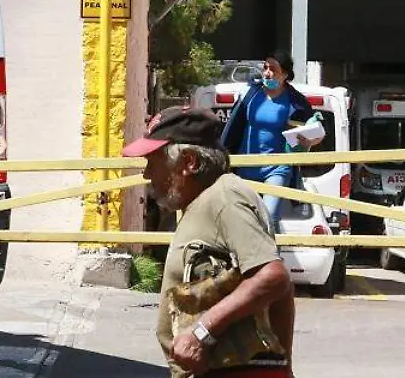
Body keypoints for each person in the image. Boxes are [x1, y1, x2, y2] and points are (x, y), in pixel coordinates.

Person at [124, 107, 296, 378]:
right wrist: (285, 368)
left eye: (153, 162)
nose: (147, 174)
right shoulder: (206, 200)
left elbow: (272, 277)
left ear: (189, 162)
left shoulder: (224, 199)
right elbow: (279, 291)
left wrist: (202, 331)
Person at [219, 51, 321, 230]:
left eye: (273, 69)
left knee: (268, 218)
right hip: (245, 166)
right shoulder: (250, 93)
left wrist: (310, 141)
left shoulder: (295, 101)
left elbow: (317, 131)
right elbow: (233, 128)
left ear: (285, 75)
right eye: (265, 67)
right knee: (245, 221)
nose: (267, 73)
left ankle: (271, 257)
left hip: (276, 169)